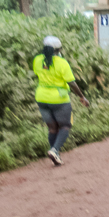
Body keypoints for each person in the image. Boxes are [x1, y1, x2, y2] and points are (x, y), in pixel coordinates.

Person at [33, 35, 90, 166]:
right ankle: (55, 150)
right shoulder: (61, 63)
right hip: (59, 99)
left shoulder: (37, 60)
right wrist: (82, 96)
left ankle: (55, 153)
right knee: (65, 126)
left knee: (52, 128)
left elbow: (38, 74)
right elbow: (72, 83)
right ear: (58, 49)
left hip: (41, 97)